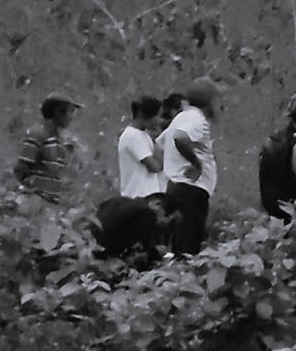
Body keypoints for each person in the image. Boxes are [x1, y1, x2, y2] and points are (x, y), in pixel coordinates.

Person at [161, 78, 220, 255]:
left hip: (175, 188)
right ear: (209, 101)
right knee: (188, 251)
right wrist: (197, 164)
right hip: (191, 193)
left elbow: (160, 144)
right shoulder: (198, 120)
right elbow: (180, 137)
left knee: (177, 247)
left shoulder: (181, 116)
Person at [14, 92, 83, 204]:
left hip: (51, 206)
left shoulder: (60, 141)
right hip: (34, 204)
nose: (71, 117)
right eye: (69, 111)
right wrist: (33, 191)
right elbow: (20, 169)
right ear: (57, 111)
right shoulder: (37, 134)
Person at [92, 193, 172, 268]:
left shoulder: (133, 203)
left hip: (97, 226)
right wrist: (156, 252)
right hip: (110, 235)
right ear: (158, 205)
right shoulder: (148, 214)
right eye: (165, 216)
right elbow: (141, 244)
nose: (165, 220)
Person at [116, 95, 166, 199]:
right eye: (157, 116)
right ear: (144, 116)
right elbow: (155, 167)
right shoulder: (132, 136)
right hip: (139, 197)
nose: (159, 120)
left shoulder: (144, 135)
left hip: (148, 196)